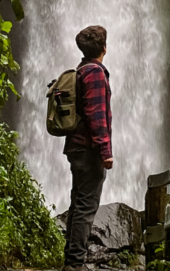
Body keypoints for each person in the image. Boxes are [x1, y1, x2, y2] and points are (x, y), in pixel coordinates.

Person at [62, 25, 113, 271]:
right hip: (88, 150)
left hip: (77, 148)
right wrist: (105, 151)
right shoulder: (94, 73)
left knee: (78, 202)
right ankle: (75, 263)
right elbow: (96, 115)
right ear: (104, 48)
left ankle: (71, 259)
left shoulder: (82, 70)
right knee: (85, 205)